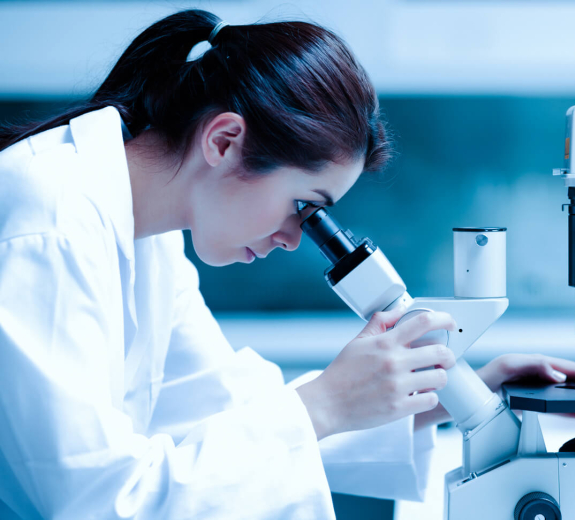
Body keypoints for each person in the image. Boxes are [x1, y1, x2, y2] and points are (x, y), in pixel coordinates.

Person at [0, 9, 573, 519]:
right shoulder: (50, 224)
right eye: (306, 208)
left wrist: (455, 392)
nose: (296, 240)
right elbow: (96, 504)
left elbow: (227, 413)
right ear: (224, 142)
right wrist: (327, 399)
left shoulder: (145, 235)